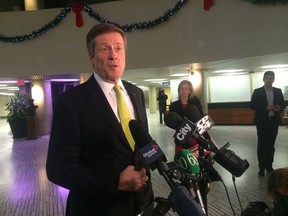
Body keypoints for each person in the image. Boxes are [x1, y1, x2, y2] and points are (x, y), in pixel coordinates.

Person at [46, 23, 154, 216]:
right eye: (105, 49)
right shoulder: (72, 102)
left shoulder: (136, 93)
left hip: (142, 204)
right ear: (91, 58)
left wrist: (158, 160)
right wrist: (115, 182)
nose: (114, 55)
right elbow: (58, 168)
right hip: (98, 209)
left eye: (118, 48)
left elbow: (142, 143)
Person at [250, 71, 286, 177]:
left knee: (271, 144)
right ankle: (261, 167)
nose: (269, 80)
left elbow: (283, 104)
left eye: (271, 78)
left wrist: (279, 107)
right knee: (261, 144)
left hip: (274, 121)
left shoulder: (278, 91)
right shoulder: (257, 91)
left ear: (273, 80)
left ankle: (269, 166)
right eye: (267, 78)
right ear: (263, 79)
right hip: (261, 122)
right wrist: (265, 107)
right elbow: (252, 105)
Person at [169, 79, 204, 152]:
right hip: (181, 137)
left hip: (195, 137)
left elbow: (200, 117)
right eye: (181, 89)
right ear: (179, 91)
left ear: (190, 91)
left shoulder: (195, 102)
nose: (183, 91)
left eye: (186, 89)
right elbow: (173, 121)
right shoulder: (173, 105)